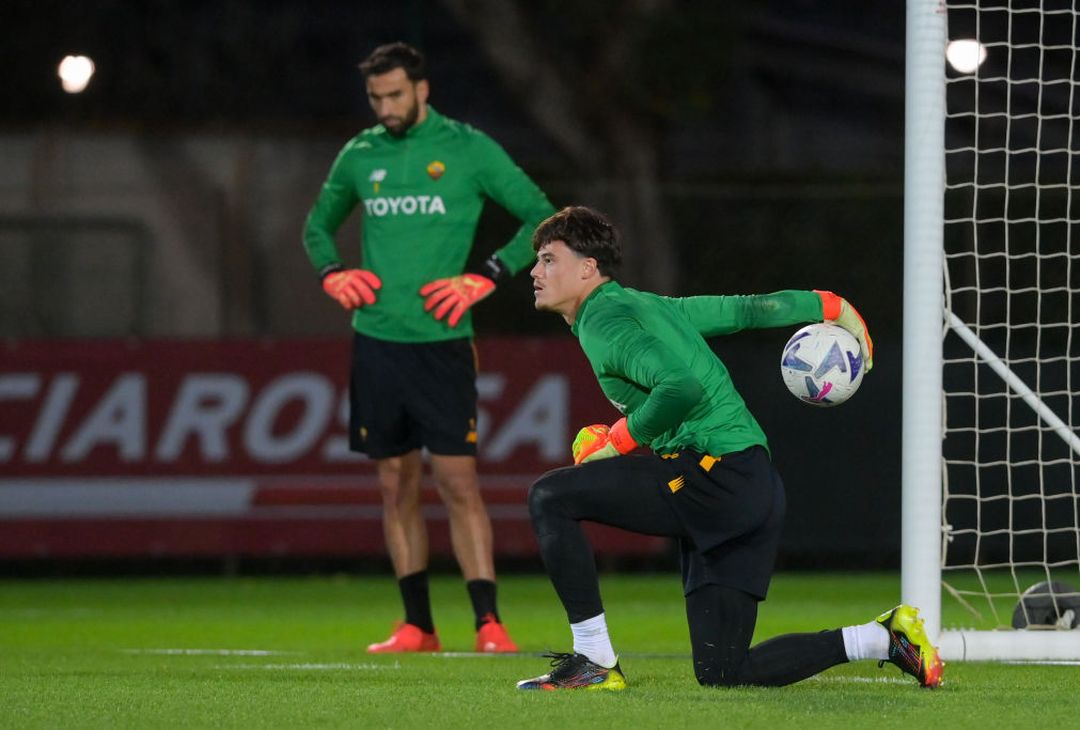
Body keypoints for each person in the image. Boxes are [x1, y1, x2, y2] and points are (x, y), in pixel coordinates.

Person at [516, 206, 943, 690]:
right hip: (749, 484)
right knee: (725, 672)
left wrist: (617, 440)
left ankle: (594, 659)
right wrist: (827, 304)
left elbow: (680, 388)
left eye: (549, 259)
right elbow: (744, 310)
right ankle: (883, 639)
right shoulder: (647, 306)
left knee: (550, 497)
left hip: (710, 478)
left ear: (587, 268)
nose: (535, 271)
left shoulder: (604, 320)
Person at [302, 42, 555, 654]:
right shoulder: (361, 155)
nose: (385, 106)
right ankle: (417, 625)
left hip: (443, 344)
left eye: (394, 94)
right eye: (375, 97)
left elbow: (543, 217)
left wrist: (486, 275)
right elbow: (317, 227)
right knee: (395, 485)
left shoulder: (468, 149)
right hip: (377, 342)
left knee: (458, 482)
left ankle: (488, 623)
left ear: (422, 89)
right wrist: (333, 272)